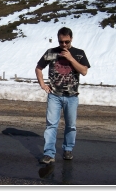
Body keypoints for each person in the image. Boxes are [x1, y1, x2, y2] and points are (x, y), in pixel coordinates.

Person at [35, 26, 90, 164]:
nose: (64, 44)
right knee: (51, 125)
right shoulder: (51, 52)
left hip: (71, 96)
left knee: (70, 125)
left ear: (71, 39)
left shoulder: (78, 53)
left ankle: (68, 150)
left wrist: (71, 58)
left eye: (66, 42)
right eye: (61, 42)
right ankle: (49, 153)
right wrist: (42, 84)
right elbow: (39, 68)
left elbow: (84, 71)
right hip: (54, 95)